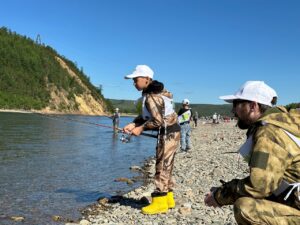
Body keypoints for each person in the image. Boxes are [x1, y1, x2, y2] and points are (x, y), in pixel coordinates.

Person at [204, 81, 300, 224]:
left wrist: (220, 195)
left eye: (236, 104)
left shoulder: (269, 133)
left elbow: (259, 186)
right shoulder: (285, 123)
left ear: (253, 106)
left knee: (245, 208)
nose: (233, 111)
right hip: (292, 196)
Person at [123, 65, 180, 215]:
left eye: (136, 79)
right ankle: (168, 199)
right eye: (133, 80)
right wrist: (134, 123)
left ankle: (160, 202)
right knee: (167, 165)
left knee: (161, 165)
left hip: (168, 133)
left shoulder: (152, 97)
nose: (134, 82)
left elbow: (157, 121)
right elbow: (147, 116)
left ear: (147, 79)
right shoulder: (155, 93)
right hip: (172, 132)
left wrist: (140, 129)